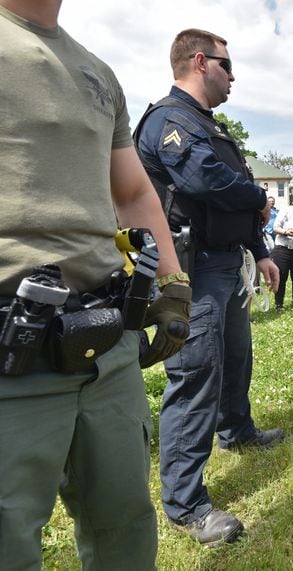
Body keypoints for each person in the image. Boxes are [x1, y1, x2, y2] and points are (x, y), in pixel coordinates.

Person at [0, 1, 192, 568]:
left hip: (106, 348)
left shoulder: (97, 72)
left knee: (125, 527)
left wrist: (173, 285)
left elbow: (131, 194)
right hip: (9, 355)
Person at [135, 28, 284, 547]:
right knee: (195, 375)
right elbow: (206, 183)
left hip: (224, 263)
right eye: (227, 65)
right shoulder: (169, 121)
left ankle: (237, 429)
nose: (233, 75)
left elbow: (234, 199)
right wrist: (257, 196)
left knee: (235, 358)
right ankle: (185, 503)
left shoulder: (208, 125)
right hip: (188, 269)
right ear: (200, 62)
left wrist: (260, 249)